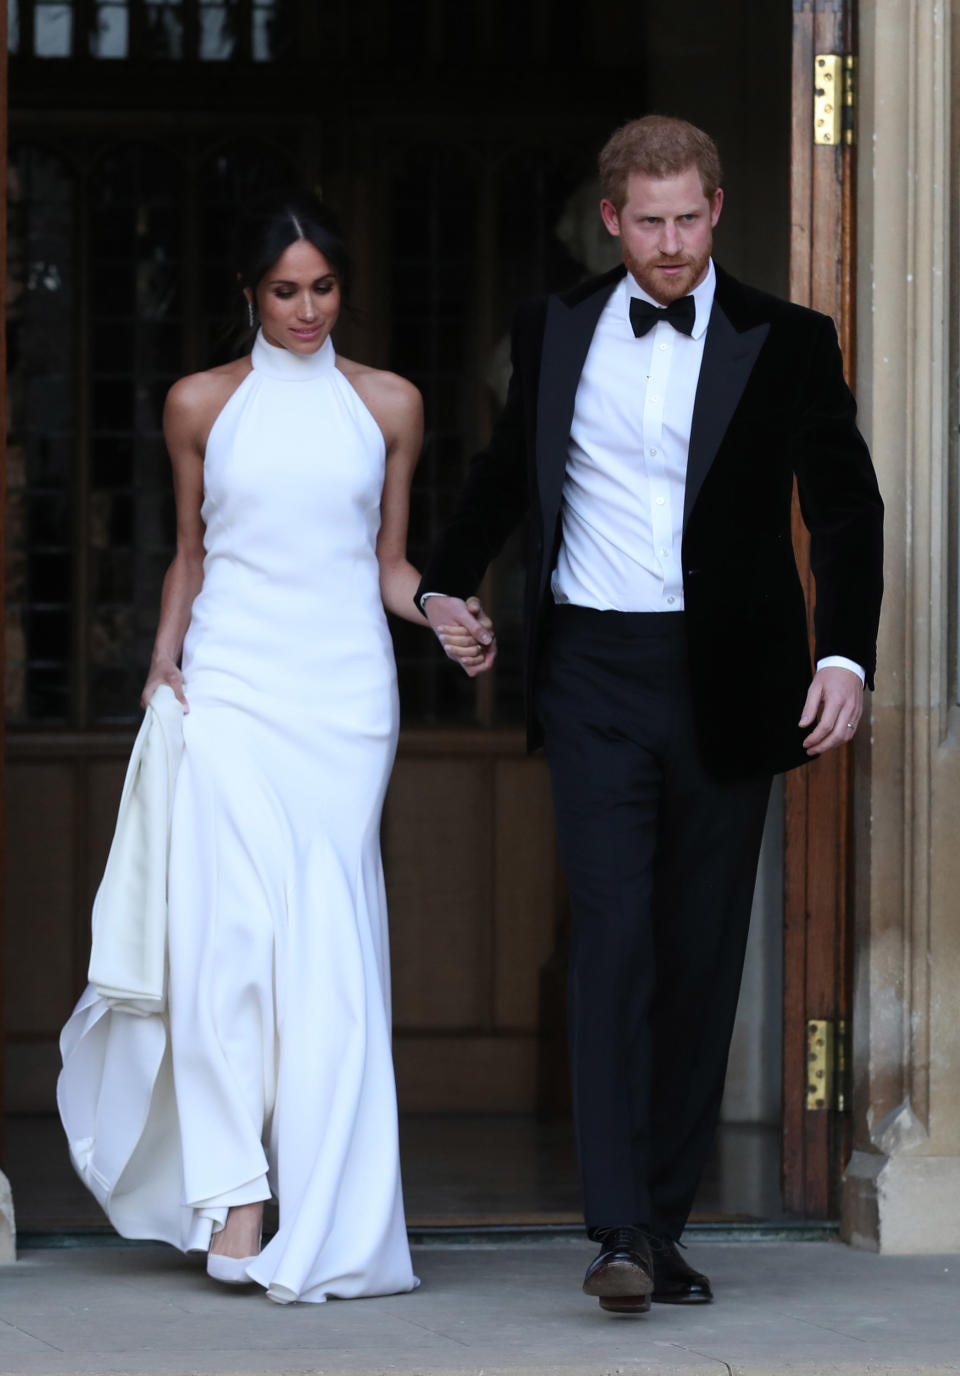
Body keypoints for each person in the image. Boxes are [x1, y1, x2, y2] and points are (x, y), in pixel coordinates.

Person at [416, 117, 883, 1314]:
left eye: (690, 218)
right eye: (650, 221)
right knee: (615, 939)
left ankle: (661, 1226)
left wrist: (843, 653)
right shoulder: (557, 325)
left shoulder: (789, 342)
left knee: (697, 954)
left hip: (730, 678)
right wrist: (440, 584)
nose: (671, 244)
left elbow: (845, 509)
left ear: (717, 209)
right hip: (595, 675)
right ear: (612, 217)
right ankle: (617, 1226)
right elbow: (503, 479)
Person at [60, 193, 485, 1304]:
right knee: (227, 944)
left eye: (324, 288)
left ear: (345, 290)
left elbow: (386, 561)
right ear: (250, 294)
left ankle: (330, 1204)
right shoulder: (200, 401)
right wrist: (162, 664)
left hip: (345, 700)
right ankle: (238, 1194)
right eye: (285, 290)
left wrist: (438, 606)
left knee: (328, 951)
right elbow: (191, 552)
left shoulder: (388, 403)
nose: (306, 309)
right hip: (234, 686)